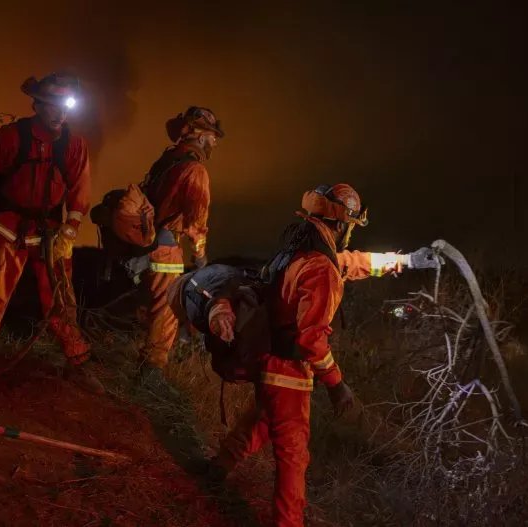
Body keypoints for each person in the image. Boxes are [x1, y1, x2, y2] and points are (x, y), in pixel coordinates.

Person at [201, 183, 442, 527]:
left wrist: (406, 260)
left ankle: (216, 468)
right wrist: (336, 384)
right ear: (342, 224)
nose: (350, 235)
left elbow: (355, 263)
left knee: (262, 422)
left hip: (271, 365)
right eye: (351, 227)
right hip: (289, 373)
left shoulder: (301, 253)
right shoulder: (320, 268)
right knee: (294, 458)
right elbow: (312, 339)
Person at [0, 72, 104, 394]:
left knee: (61, 297)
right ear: (38, 105)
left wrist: (70, 230)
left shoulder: (74, 145)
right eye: (53, 106)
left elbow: (80, 191)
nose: (60, 114)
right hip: (8, 226)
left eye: (65, 107)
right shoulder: (11, 137)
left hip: (50, 231)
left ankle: (77, 362)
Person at [134, 106, 224, 386]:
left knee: (150, 306)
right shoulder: (195, 170)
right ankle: (151, 374)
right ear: (198, 135)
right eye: (211, 137)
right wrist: (200, 259)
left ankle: (142, 365)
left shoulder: (168, 159)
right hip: (167, 250)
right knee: (167, 310)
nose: (214, 143)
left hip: (146, 246)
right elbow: (197, 221)